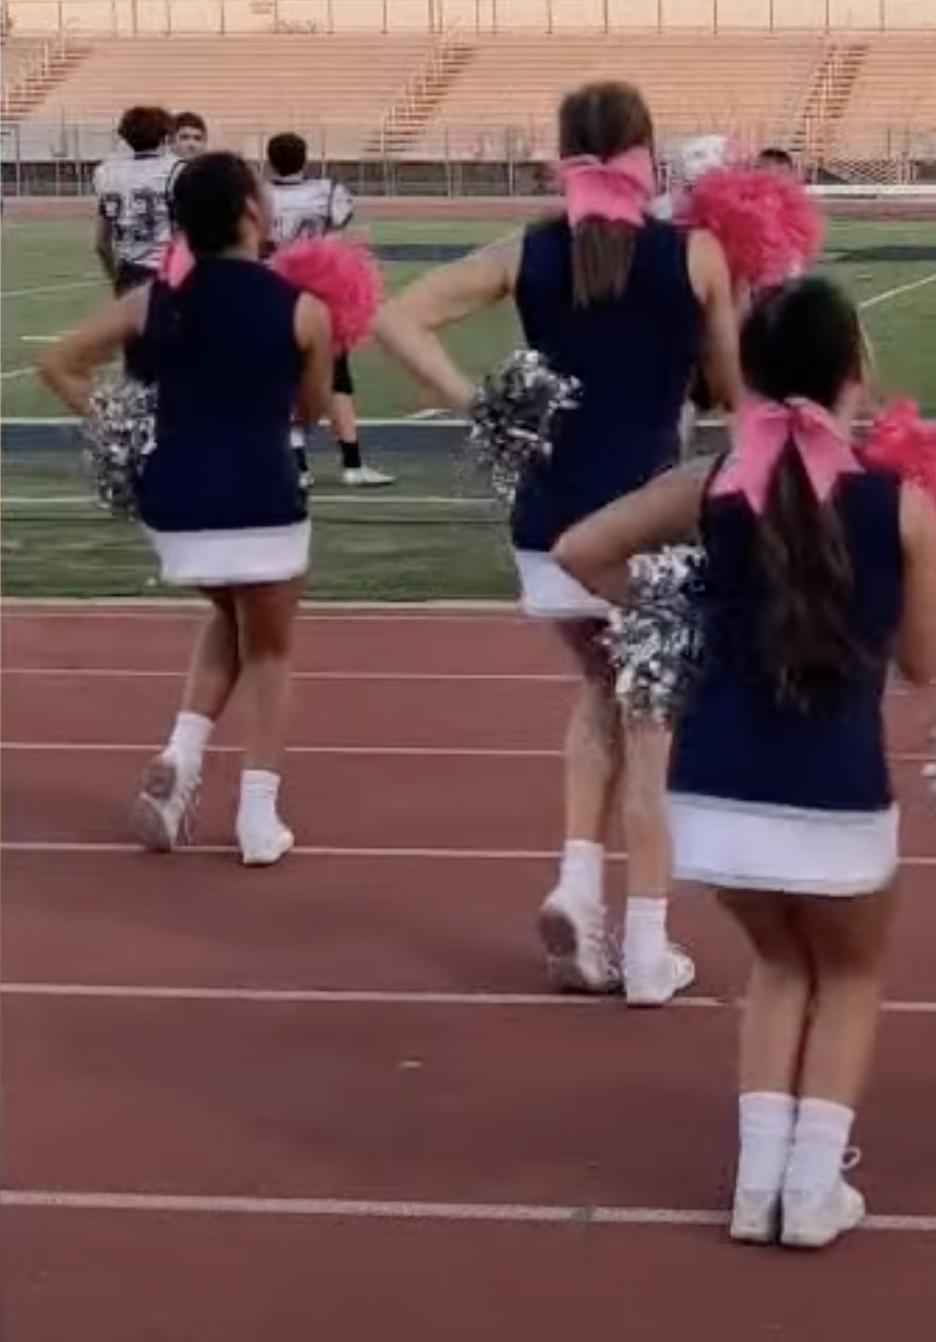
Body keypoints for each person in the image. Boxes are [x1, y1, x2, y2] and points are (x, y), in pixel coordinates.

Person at [551, 278, 936, 1250]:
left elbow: (577, 549)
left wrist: (673, 619)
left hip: (716, 794)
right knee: (848, 978)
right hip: (836, 794)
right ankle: (810, 1194)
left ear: (755, 374)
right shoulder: (900, 506)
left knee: (777, 967)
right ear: (856, 371)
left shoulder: (711, 484)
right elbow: (926, 661)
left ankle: (754, 1186)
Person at [373, 81, 742, 1007]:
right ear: (647, 153)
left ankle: (579, 895)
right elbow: (735, 390)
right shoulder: (692, 253)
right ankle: (651, 948)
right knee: (653, 728)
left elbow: (395, 317)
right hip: (646, 525)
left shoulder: (529, 251)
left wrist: (482, 410)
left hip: (547, 529)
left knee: (599, 694)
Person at [40, 151, 334, 866]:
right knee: (268, 650)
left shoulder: (151, 300)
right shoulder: (303, 310)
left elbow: (59, 363)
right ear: (249, 214)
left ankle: (181, 759)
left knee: (229, 615)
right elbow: (313, 410)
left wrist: (115, 427)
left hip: (173, 506)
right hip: (262, 499)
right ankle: (258, 820)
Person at [264, 132, 396, 489]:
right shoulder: (327, 191)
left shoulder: (259, 196)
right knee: (338, 378)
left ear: (270, 160)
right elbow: (342, 235)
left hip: (275, 293)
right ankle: (352, 463)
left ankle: (298, 467)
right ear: (304, 158)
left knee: (285, 380)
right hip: (322, 297)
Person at [93, 106, 179, 294]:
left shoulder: (107, 173)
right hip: (166, 273)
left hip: (128, 272)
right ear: (164, 136)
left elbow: (101, 244)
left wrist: (116, 278)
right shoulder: (177, 169)